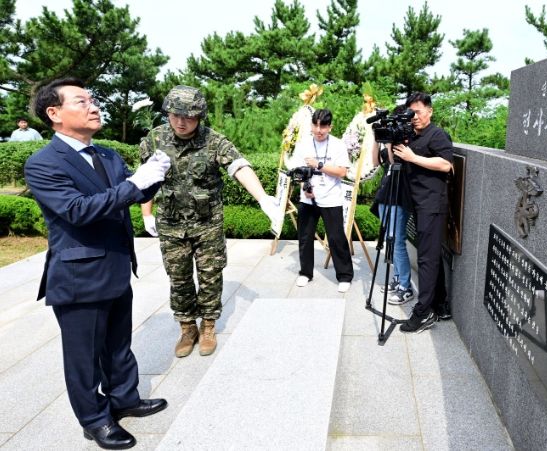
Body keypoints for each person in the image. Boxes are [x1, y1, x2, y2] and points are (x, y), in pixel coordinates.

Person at [24, 78, 171, 449]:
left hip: (116, 265)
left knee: (118, 344)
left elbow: (127, 194)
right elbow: (77, 211)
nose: (93, 106)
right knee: (84, 357)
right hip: (79, 274)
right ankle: (95, 420)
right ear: (54, 113)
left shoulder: (106, 154)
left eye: (93, 100)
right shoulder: (43, 163)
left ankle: (124, 398)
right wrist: (135, 184)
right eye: (81, 101)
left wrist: (154, 176)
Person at [139, 85, 278, 358]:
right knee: (178, 278)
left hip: (207, 224)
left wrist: (262, 198)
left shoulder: (213, 141)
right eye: (175, 115)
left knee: (210, 275)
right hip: (171, 223)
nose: (181, 122)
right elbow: (147, 178)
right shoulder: (154, 139)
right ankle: (187, 327)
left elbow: (239, 166)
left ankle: (208, 327)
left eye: (188, 117)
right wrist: (146, 213)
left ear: (199, 116)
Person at [392, 92, 454, 333]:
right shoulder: (412, 136)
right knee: (431, 255)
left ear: (430, 111)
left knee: (426, 259)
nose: (414, 117)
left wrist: (413, 157)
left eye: (417, 112)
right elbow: (393, 162)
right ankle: (440, 304)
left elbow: (446, 164)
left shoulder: (437, 135)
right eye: (411, 113)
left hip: (432, 205)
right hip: (419, 204)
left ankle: (423, 313)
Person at [288, 108, 354, 292]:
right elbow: (297, 171)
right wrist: (305, 186)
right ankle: (305, 273)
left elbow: (342, 171)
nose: (318, 130)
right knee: (305, 237)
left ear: (330, 127)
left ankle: (345, 276)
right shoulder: (303, 144)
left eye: (323, 126)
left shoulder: (338, 145)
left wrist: (319, 165)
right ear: (311, 125)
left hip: (331, 198)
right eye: (315, 126)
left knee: (336, 237)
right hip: (308, 198)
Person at [371, 127, 414, 305]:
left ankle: (405, 286)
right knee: (390, 240)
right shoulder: (389, 143)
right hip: (385, 196)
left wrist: (390, 144)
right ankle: (397, 278)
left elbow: (393, 161)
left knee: (397, 241)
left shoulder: (407, 143)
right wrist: (376, 139)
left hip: (399, 198)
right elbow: (375, 162)